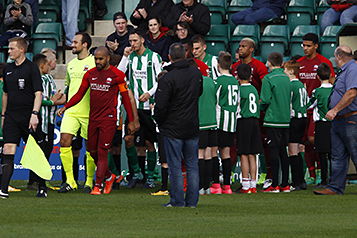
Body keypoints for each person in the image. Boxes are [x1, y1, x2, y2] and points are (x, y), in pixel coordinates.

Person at [58, 47, 136, 195]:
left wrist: (131, 120)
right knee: (91, 151)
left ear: (107, 58)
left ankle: (97, 185)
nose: (98, 61)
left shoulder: (117, 75)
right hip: (92, 117)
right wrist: (66, 106)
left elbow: (126, 98)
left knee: (102, 151)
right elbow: (79, 94)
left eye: (100, 59)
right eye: (96, 59)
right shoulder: (90, 74)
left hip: (108, 118)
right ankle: (108, 176)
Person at [154, 42, 202, 207]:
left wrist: (160, 121)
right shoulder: (196, 74)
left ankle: (177, 200)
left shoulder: (167, 78)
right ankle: (192, 202)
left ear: (169, 57)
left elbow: (161, 106)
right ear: (186, 54)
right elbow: (199, 93)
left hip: (173, 126)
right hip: (192, 124)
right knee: (192, 165)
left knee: (175, 165)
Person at [118, 29, 162, 188]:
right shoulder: (130, 57)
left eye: (135, 41)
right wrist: (124, 56)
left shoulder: (153, 57)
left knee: (150, 143)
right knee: (129, 139)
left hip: (148, 108)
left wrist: (149, 93)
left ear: (142, 40)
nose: (132, 44)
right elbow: (119, 73)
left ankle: (150, 176)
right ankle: (136, 172)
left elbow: (160, 79)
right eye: (130, 41)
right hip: (133, 108)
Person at [0, 37, 43, 199]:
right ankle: (3, 190)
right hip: (11, 117)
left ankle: (42, 186)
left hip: (28, 117)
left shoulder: (31, 68)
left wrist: (35, 114)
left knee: (36, 152)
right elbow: (5, 94)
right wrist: (4, 115)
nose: (9, 51)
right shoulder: (7, 69)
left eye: (11, 49)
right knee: (8, 150)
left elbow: (38, 93)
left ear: (21, 50)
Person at [314, 46, 357, 195]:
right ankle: (335, 187)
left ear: (338, 57)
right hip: (340, 120)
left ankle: (335, 187)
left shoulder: (352, 69)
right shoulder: (347, 70)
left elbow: (351, 92)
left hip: (350, 117)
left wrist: (335, 109)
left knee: (355, 152)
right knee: (337, 155)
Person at [59, 32, 96, 193]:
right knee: (64, 141)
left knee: (90, 148)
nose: (72, 45)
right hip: (72, 110)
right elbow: (69, 87)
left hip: (89, 111)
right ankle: (70, 181)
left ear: (85, 44)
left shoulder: (95, 62)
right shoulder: (71, 64)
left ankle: (89, 181)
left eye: (75, 42)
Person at [297, 33, 335, 185]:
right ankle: (311, 172)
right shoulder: (299, 63)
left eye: (308, 45)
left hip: (317, 110)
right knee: (305, 141)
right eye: (303, 45)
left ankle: (321, 171)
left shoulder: (323, 63)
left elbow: (332, 83)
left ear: (316, 46)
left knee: (315, 140)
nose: (305, 48)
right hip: (303, 108)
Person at [32, 54, 65, 196]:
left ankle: (40, 182)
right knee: (42, 152)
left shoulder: (49, 78)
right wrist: (52, 101)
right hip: (41, 120)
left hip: (49, 120)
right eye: (47, 64)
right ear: (42, 66)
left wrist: (56, 99)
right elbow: (42, 99)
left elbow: (57, 96)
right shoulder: (39, 79)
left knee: (47, 150)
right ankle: (40, 184)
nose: (50, 66)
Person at [260, 52, 291, 193]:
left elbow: (265, 100)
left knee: (273, 152)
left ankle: (275, 185)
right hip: (285, 120)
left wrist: (259, 109)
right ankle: (285, 184)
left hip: (273, 120)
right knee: (283, 152)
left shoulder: (268, 78)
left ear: (269, 62)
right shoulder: (286, 78)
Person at [210, 52, 238, 195]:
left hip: (220, 120)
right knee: (226, 153)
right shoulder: (235, 80)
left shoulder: (219, 81)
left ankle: (216, 184)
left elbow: (214, 100)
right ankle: (227, 186)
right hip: (232, 121)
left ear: (218, 65)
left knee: (214, 151)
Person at [236, 64, 263, 194]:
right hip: (255, 122)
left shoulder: (239, 90)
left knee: (244, 154)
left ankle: (245, 185)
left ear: (237, 76)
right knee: (253, 154)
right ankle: (253, 184)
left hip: (244, 121)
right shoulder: (253, 89)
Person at [307, 63, 333, 187]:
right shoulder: (334, 89)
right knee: (333, 153)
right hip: (334, 124)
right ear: (331, 75)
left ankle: (324, 180)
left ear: (317, 77)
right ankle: (334, 179)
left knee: (322, 153)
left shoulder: (317, 91)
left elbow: (309, 105)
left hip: (321, 124)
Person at [284, 60, 308, 191]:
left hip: (295, 119)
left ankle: (296, 181)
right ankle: (301, 180)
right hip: (303, 118)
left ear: (292, 71)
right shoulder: (301, 85)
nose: (284, 72)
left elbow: (288, 103)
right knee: (298, 149)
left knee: (293, 150)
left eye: (286, 70)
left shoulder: (291, 85)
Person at [198, 73, 217, 195]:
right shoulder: (211, 81)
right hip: (212, 121)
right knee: (209, 152)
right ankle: (207, 186)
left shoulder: (195, 82)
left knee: (200, 154)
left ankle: (200, 186)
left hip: (201, 121)